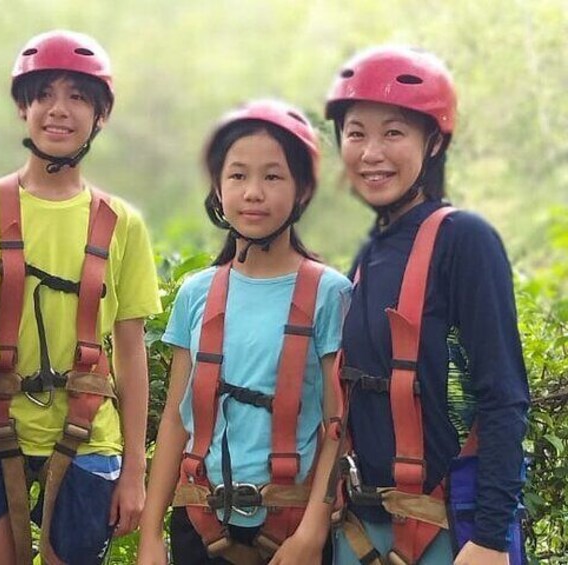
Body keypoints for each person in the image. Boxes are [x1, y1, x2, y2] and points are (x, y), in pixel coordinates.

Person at [0, 30, 161, 564]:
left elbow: (131, 350)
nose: (58, 111)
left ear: (100, 116)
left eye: (78, 98)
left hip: (90, 436)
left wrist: (135, 470)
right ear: (24, 108)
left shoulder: (121, 224)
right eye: (44, 95)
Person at [325, 46, 529, 565]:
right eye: (356, 133)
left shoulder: (464, 240)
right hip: (362, 529)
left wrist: (489, 538)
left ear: (432, 141)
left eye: (393, 132)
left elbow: (503, 396)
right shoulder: (369, 254)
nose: (371, 152)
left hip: (447, 532)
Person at [137, 99, 351, 565]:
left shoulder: (329, 293)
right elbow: (178, 418)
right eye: (238, 176)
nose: (253, 192)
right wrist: (151, 536)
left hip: (290, 526)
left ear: (301, 190)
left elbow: (338, 425)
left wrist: (313, 534)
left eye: (272, 177)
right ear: (217, 188)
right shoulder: (198, 293)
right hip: (200, 520)